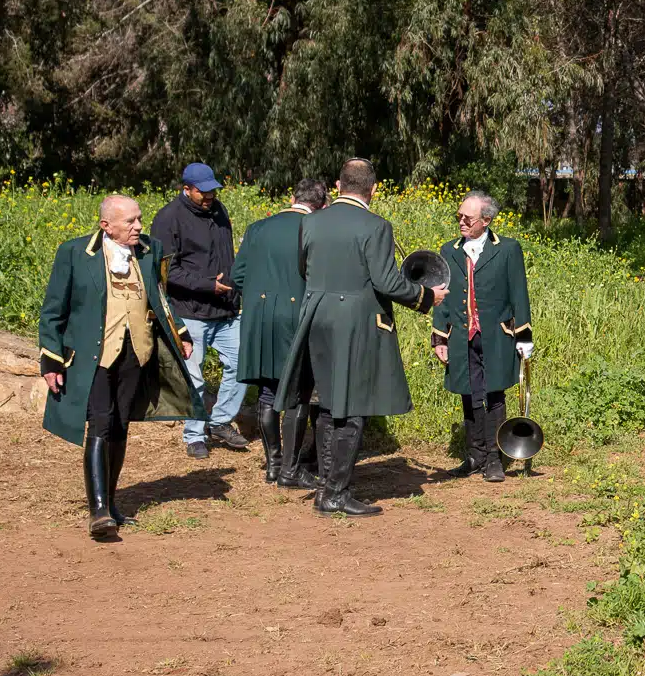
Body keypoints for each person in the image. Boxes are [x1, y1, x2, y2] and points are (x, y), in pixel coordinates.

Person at [274, 159, 447, 517]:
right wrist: (427, 296)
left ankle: (327, 488)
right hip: (355, 324)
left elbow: (304, 269)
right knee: (353, 409)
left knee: (327, 405)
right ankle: (335, 494)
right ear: (374, 189)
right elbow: (386, 281)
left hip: (316, 318)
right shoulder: (376, 225)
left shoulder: (311, 221)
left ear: (338, 185)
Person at [38, 195, 205, 540]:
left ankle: (112, 503)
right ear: (106, 225)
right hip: (94, 356)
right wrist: (51, 359)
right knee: (100, 423)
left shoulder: (150, 250)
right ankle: (98, 511)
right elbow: (53, 309)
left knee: (120, 425)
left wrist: (180, 332)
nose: (138, 226)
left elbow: (160, 296)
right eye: (130, 221)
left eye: (139, 218)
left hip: (136, 352)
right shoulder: (74, 253)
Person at [430, 192, 534, 482]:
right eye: (459, 216)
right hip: (461, 336)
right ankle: (474, 455)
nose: (461, 222)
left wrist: (524, 337)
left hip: (497, 336)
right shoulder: (449, 250)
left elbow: (519, 296)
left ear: (486, 220)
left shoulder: (508, 249)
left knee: (494, 392)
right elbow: (442, 297)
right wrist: (440, 337)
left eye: (468, 218)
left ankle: (494, 458)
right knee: (468, 391)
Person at [235, 177, 329, 487]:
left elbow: (238, 276)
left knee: (267, 391)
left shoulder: (257, 228)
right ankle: (292, 466)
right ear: (321, 205)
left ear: (293, 198)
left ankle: (274, 465)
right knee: (298, 393)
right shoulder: (315, 228)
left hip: (259, 319)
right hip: (297, 317)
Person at [152, 162, 248, 459]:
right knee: (194, 377)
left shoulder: (219, 211)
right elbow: (166, 271)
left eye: (212, 190)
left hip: (225, 309)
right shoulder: (168, 218)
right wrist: (207, 285)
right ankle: (194, 435)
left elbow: (227, 255)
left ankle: (219, 421)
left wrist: (234, 289)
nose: (209, 196)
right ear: (186, 189)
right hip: (190, 311)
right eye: (202, 192)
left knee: (242, 365)